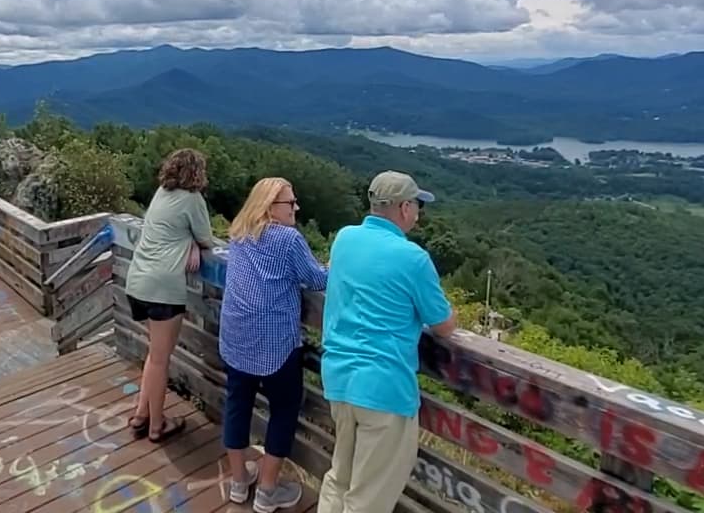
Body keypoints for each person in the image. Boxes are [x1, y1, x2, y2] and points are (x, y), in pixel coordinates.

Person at [317, 171, 458, 513]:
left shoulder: (345, 239)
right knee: (368, 499)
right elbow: (444, 326)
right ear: (405, 208)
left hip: (339, 377)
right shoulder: (413, 258)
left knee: (340, 479)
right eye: (417, 205)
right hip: (384, 387)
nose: (419, 213)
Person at [219, 177, 328, 513]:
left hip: (236, 336)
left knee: (237, 405)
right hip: (275, 344)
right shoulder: (287, 239)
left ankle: (239, 483)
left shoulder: (240, 231)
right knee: (283, 410)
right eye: (290, 203)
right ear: (269, 207)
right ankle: (267, 491)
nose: (296, 208)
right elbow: (318, 279)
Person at [124, 148, 214, 444]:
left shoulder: (162, 192)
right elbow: (207, 239)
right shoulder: (193, 200)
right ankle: (157, 425)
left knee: (155, 355)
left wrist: (186, 241)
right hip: (163, 287)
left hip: (137, 280)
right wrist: (193, 244)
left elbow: (170, 231)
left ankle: (141, 414)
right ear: (197, 173)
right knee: (160, 359)